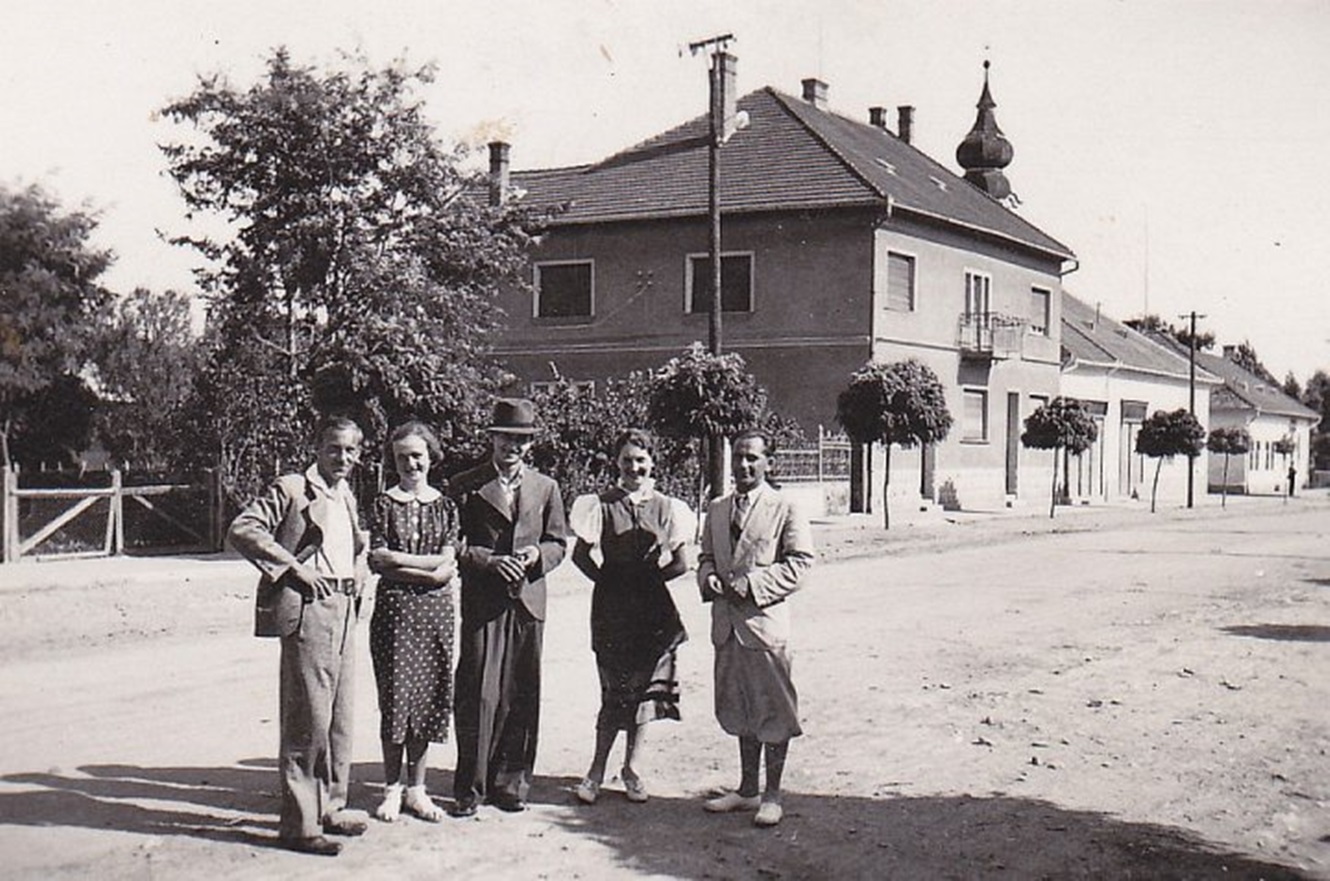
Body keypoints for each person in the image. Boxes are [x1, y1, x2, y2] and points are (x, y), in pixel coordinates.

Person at [228, 416, 369, 857]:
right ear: (317, 447)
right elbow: (243, 529)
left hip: (345, 607)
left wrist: (359, 571)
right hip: (310, 607)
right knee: (308, 718)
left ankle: (331, 807)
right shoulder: (292, 488)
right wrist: (293, 568)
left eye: (350, 450)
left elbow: (353, 546)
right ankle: (300, 826)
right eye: (333, 448)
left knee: (339, 717)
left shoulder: (345, 493)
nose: (342, 457)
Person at [448, 398, 568, 816]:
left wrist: (537, 555)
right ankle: (470, 788)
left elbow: (558, 542)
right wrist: (488, 561)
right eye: (505, 438)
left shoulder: (546, 487)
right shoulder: (466, 484)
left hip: (528, 602)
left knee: (522, 693)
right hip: (484, 601)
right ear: (492, 439)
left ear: (530, 444)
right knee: (478, 693)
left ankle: (512, 784)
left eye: (521, 440)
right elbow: (452, 543)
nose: (512, 446)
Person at [568, 428, 693, 805]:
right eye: (627, 460)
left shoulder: (668, 507)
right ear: (616, 462)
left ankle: (632, 770)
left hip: (653, 613)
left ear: (652, 462)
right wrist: (611, 582)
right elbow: (580, 557)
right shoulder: (600, 505)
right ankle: (595, 772)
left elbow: (681, 563)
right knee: (614, 692)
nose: (634, 467)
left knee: (642, 696)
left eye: (641, 460)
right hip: (613, 612)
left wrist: (648, 581)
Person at [697, 427, 815, 828]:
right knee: (739, 706)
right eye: (738, 457)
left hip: (764, 627)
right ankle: (747, 789)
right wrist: (709, 579)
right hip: (727, 627)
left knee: (773, 710)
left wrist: (753, 584)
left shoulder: (785, 506)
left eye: (753, 457)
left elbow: (800, 564)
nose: (744, 465)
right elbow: (706, 557)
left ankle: (773, 795)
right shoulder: (717, 508)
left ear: (769, 463)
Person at [367, 421, 460, 824]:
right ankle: (392, 788)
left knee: (426, 699)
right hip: (395, 614)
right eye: (402, 457)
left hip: (436, 615)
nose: (411, 464)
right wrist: (429, 570)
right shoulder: (383, 505)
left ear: (430, 457)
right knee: (395, 700)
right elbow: (378, 560)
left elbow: (447, 563)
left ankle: (417, 789)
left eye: (417, 455)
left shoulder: (446, 506)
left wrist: (400, 561)